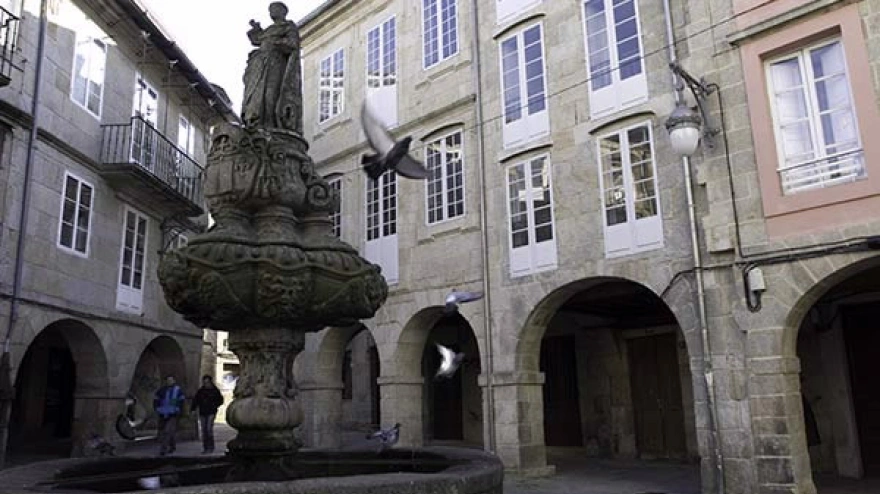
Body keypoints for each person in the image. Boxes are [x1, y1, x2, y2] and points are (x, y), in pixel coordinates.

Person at [241, 2, 302, 132]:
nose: (271, 12)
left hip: (275, 64)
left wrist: (274, 43)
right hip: (259, 65)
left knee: (271, 95)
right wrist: (256, 29)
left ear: (282, 11)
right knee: (256, 95)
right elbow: (257, 40)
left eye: (274, 9)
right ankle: (256, 122)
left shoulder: (288, 26)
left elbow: (292, 44)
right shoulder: (269, 30)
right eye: (270, 10)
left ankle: (270, 123)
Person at [191, 375, 224, 454]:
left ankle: (211, 447)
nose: (206, 384)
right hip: (203, 412)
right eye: (204, 382)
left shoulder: (215, 390)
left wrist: (214, 405)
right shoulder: (201, 391)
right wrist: (193, 409)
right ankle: (205, 447)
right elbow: (196, 400)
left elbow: (220, 400)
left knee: (209, 429)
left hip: (211, 412)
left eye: (207, 382)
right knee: (204, 430)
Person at [153, 375, 185, 456]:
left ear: (174, 381)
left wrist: (179, 410)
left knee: (167, 431)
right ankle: (172, 446)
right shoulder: (162, 390)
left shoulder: (177, 390)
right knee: (169, 431)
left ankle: (163, 449)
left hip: (173, 413)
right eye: (168, 380)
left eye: (171, 380)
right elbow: (156, 399)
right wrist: (157, 408)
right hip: (163, 413)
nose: (169, 381)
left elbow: (181, 401)